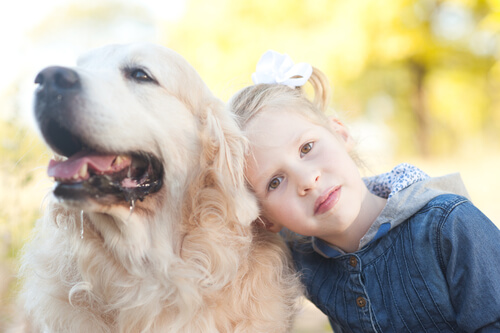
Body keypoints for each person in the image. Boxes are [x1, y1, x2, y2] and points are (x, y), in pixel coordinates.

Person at [228, 50, 500, 332]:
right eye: (275, 181)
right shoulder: (302, 260)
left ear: (341, 133)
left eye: (306, 148)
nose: (307, 180)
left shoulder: (448, 226)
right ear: (264, 218)